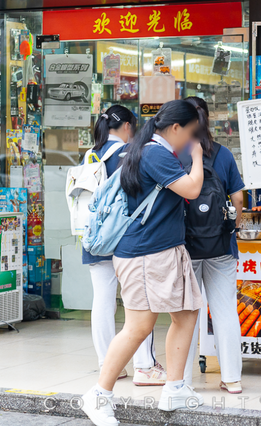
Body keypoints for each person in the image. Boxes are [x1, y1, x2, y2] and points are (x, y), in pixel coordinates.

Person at [81, 100, 205, 426]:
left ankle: (175, 388)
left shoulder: (147, 150)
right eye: (192, 133)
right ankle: (98, 396)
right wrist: (197, 158)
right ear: (176, 128)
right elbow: (191, 189)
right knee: (138, 327)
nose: (193, 140)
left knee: (188, 312)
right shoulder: (155, 153)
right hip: (147, 254)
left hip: (159, 250)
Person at [80, 105, 166, 388]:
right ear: (128, 126)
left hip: (95, 238)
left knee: (102, 301)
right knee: (138, 302)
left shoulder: (90, 156)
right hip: (126, 239)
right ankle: (144, 365)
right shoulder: (130, 154)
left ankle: (109, 364)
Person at [182, 96, 244, 394]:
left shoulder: (175, 154)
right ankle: (232, 378)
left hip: (186, 248)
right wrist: (231, 227)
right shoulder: (223, 154)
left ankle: (182, 379)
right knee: (225, 311)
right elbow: (238, 199)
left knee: (185, 313)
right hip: (221, 247)